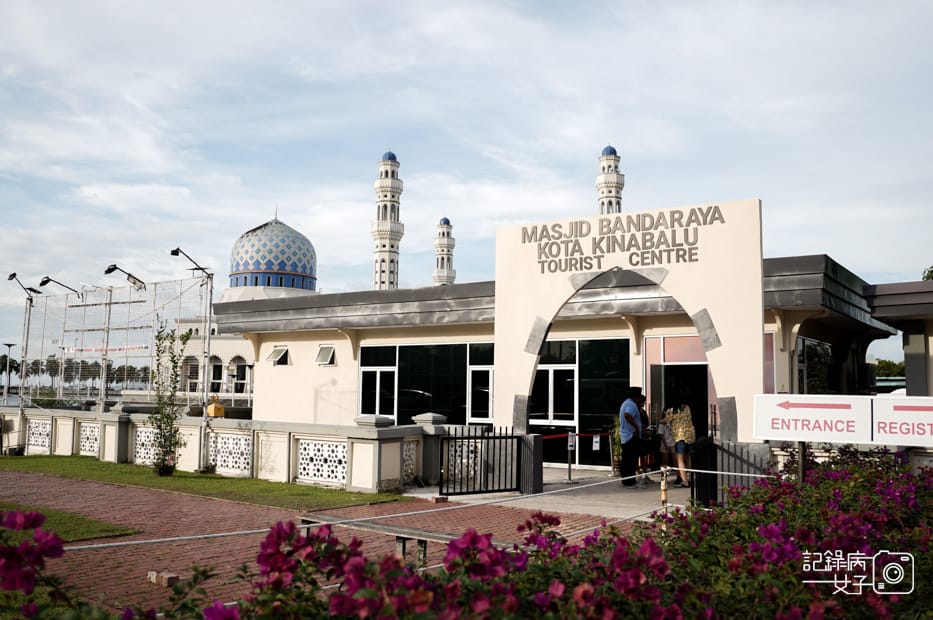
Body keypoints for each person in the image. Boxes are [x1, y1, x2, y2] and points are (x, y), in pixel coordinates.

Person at [618, 386, 645, 488]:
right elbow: (627, 415)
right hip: (631, 436)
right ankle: (630, 481)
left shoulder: (625, 403)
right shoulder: (631, 405)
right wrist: (636, 427)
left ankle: (626, 480)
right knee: (631, 460)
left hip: (625, 436)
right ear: (637, 397)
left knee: (626, 459)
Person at [669, 404, 696, 487]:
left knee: (680, 459)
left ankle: (685, 481)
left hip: (679, 436)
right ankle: (691, 479)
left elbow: (666, 420)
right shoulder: (687, 407)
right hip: (690, 435)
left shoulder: (671, 410)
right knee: (688, 458)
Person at [656, 411, 675, 480]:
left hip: (673, 443)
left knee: (675, 461)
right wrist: (665, 445)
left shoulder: (674, 421)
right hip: (665, 443)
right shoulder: (662, 423)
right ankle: (663, 477)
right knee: (665, 461)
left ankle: (679, 477)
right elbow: (661, 435)